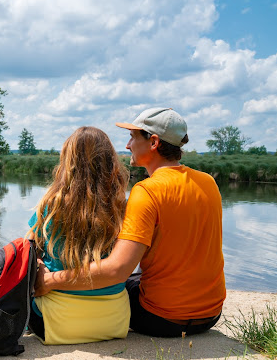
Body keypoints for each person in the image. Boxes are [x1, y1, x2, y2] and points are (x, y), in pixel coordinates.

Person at [35, 108, 225, 338]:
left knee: (118, 285)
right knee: (134, 279)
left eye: (133, 137)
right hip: (211, 315)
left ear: (154, 142)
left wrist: (50, 281)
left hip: (162, 319)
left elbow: (116, 270)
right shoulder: (208, 183)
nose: (127, 145)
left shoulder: (146, 191)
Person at [26, 126, 131, 344]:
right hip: (115, 322)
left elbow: (27, 249)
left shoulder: (51, 205)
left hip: (52, 322)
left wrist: (40, 266)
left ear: (68, 162)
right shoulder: (124, 208)